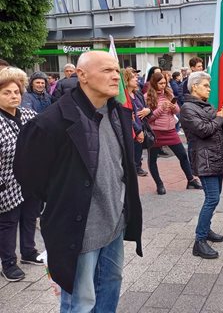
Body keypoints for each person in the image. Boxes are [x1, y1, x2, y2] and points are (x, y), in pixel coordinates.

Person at [14, 51, 143, 311]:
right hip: (78, 228)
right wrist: (61, 200)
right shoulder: (53, 120)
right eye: (107, 70)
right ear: (82, 75)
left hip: (114, 221)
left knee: (111, 284)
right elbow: (28, 172)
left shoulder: (117, 112)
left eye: (117, 70)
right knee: (81, 300)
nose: (115, 75)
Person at [180, 72, 223, 259]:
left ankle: (206, 229)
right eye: (205, 86)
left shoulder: (205, 105)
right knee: (212, 198)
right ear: (194, 87)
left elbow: (216, 128)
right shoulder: (187, 108)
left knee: (215, 196)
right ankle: (199, 240)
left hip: (216, 157)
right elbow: (204, 130)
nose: (209, 89)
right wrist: (219, 117)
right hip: (204, 159)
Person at [0, 67, 41, 282]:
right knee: (8, 223)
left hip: (30, 179)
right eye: (6, 92)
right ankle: (8, 263)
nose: (13, 96)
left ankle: (29, 252)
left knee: (30, 217)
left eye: (16, 92)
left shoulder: (28, 114)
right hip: (6, 183)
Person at [145, 72, 201, 194]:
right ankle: (159, 184)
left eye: (165, 83)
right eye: (160, 83)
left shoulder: (168, 94)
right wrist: (161, 109)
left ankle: (190, 180)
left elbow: (177, 111)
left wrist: (172, 107)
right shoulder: (147, 97)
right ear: (154, 83)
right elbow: (148, 118)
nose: (163, 86)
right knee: (153, 159)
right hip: (156, 132)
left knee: (182, 155)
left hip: (170, 131)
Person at [124, 68, 150, 176]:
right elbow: (127, 116)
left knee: (138, 152)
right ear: (126, 79)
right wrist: (137, 129)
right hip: (132, 130)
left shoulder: (138, 94)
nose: (137, 79)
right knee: (131, 153)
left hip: (141, 126)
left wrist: (148, 110)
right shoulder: (123, 96)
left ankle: (138, 167)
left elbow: (146, 108)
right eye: (134, 77)